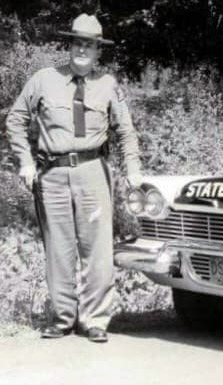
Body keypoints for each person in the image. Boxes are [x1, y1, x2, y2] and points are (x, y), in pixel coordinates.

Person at [5, 13, 142, 343]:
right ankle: (63, 316)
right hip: (51, 174)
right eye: (78, 43)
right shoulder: (44, 79)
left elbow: (126, 131)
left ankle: (94, 318)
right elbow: (15, 120)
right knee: (59, 246)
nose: (83, 50)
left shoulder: (108, 84)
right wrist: (25, 162)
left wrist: (133, 168)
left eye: (90, 45)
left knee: (96, 248)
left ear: (98, 52)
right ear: (70, 46)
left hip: (93, 171)